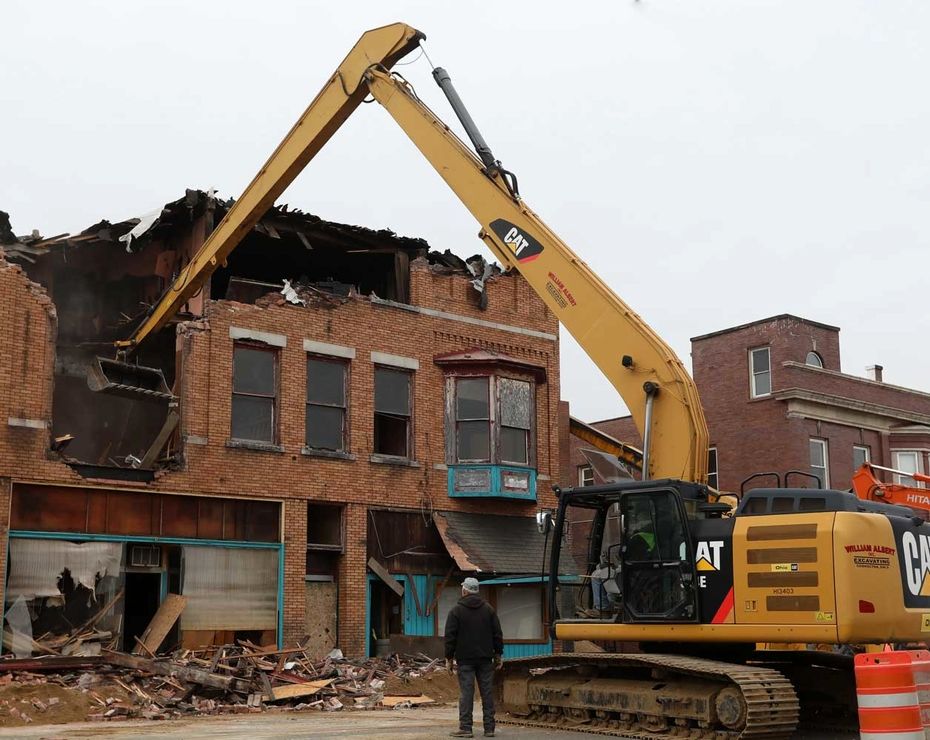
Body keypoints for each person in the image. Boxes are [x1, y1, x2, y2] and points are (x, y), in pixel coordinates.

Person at [444, 577, 504, 738]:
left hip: (465, 660)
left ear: (464, 590)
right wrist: (498, 654)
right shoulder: (489, 610)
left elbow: (450, 637)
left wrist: (448, 658)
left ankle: (465, 728)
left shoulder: (456, 611)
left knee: (466, 693)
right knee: (487, 693)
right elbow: (497, 634)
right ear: (477, 591)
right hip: (485, 659)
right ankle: (489, 728)